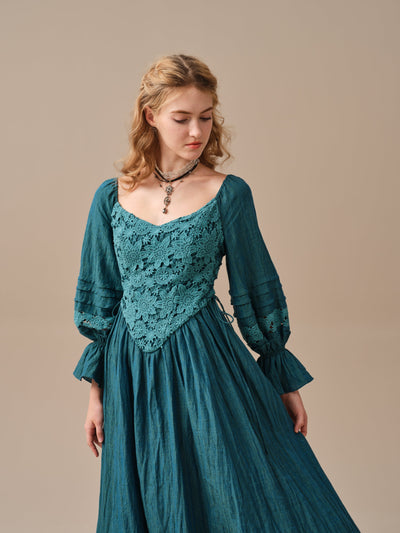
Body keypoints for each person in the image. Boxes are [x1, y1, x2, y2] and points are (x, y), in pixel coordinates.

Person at [73, 53, 360, 532]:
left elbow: (255, 285)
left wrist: (281, 377)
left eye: (205, 117)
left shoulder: (230, 193)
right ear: (150, 116)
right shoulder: (110, 196)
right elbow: (102, 297)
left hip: (203, 361)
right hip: (129, 369)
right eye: (182, 118)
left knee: (228, 484)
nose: (196, 131)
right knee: (147, 489)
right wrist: (95, 395)